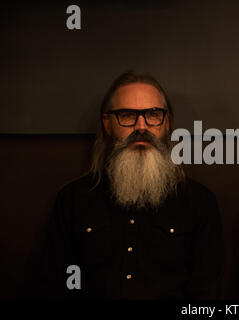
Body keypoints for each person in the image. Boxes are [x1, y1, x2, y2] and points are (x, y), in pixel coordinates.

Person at [34, 71, 224, 299]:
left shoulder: (199, 203)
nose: (141, 126)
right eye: (127, 115)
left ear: (167, 123)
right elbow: (54, 286)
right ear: (108, 123)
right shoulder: (72, 200)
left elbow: (206, 295)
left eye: (153, 114)